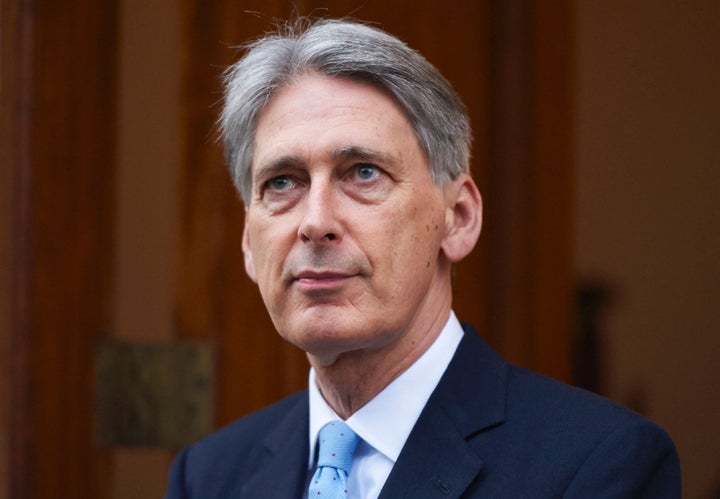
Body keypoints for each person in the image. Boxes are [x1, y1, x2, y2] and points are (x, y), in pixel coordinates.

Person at [165, 18, 680, 498]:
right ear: (248, 245)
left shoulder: (599, 464)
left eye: (363, 173)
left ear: (457, 217)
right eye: (281, 183)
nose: (314, 221)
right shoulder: (209, 476)